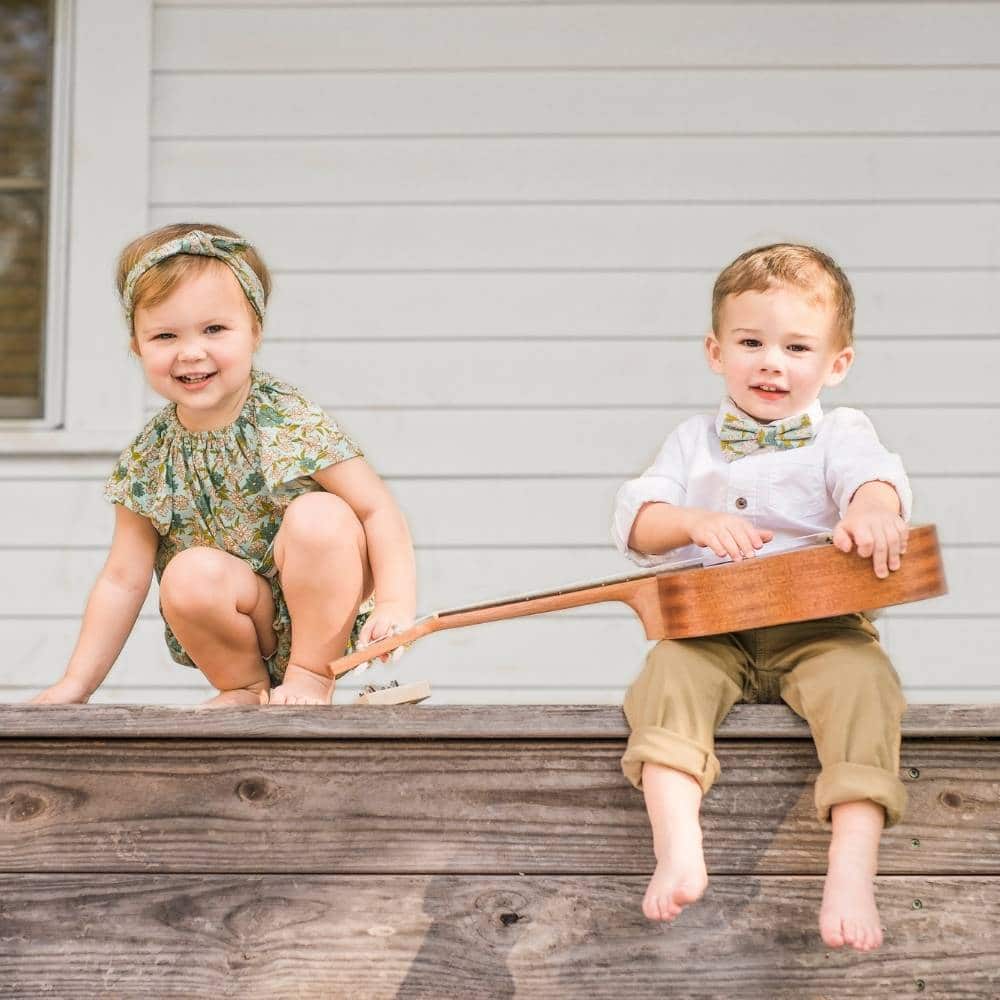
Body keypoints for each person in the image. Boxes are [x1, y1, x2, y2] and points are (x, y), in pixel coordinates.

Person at [612, 243, 910, 952]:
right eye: (751, 342)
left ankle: (850, 867)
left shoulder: (842, 432)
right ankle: (679, 845)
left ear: (836, 364)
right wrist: (692, 521)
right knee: (665, 680)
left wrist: (873, 510)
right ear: (717, 352)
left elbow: (874, 479)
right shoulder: (693, 442)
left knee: (866, 686)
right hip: (712, 627)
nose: (771, 362)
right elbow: (639, 520)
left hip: (821, 627)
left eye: (796, 347)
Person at [32, 223, 415, 707]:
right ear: (137, 346)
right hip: (240, 613)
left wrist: (396, 604)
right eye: (165, 335)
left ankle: (310, 677)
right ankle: (243, 686)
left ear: (254, 330)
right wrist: (75, 685)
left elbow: (377, 510)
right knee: (188, 574)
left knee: (322, 516)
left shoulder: (284, 418)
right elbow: (122, 578)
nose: (191, 352)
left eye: (214, 329)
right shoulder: (150, 457)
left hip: (321, 607)